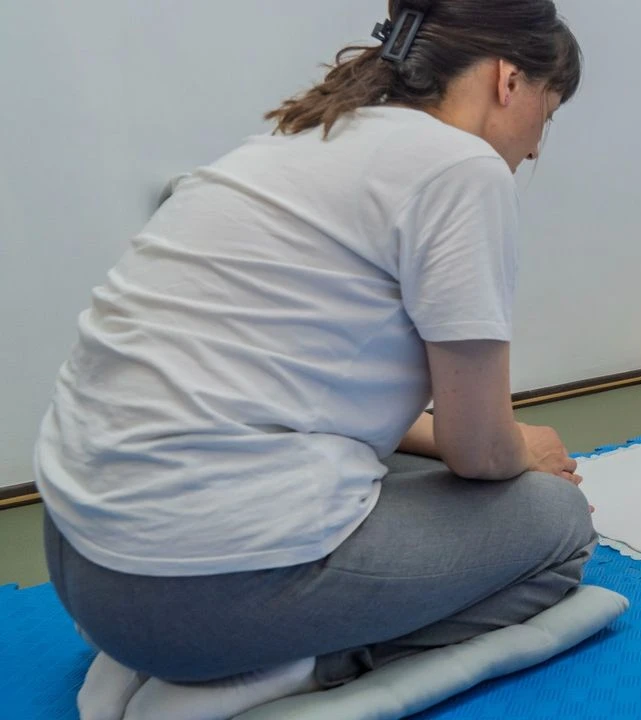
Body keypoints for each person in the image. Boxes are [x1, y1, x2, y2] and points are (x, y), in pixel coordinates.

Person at [34, 1, 593, 715]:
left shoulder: (297, 139)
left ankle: (183, 655)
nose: (538, 147)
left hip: (77, 557)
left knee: (426, 470)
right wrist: (525, 448)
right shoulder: (463, 167)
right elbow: (480, 450)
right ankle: (277, 670)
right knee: (557, 526)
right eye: (549, 111)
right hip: (185, 598)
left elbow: (292, 393)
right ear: (509, 82)